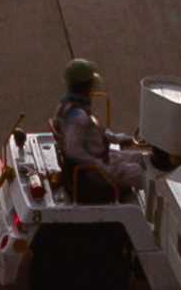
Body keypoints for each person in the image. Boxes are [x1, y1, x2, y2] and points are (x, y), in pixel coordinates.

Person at [52, 57, 149, 202]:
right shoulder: (79, 117)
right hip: (92, 171)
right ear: (86, 86)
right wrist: (97, 164)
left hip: (99, 155)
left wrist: (119, 138)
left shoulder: (67, 106)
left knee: (139, 157)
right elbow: (73, 150)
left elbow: (93, 132)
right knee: (138, 173)